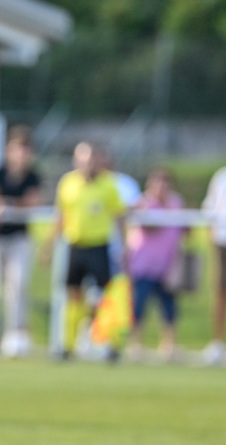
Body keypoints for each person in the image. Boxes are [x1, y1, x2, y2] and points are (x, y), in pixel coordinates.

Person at [46, 141, 128, 359]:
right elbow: (61, 215)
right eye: (83, 159)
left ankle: (109, 343)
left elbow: (119, 216)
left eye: (91, 159)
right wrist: (49, 244)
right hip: (75, 245)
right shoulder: (68, 183)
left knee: (105, 296)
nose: (87, 164)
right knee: (73, 294)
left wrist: (124, 246)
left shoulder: (108, 184)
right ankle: (68, 345)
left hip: (99, 245)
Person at [0, 126, 42, 358]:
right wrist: (0, 207)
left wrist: (8, 206)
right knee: (4, 287)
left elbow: (31, 203)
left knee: (18, 284)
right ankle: (9, 330)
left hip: (20, 237)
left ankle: (16, 333)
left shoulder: (32, 176)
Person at [126, 169, 185, 361]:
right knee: (139, 306)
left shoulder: (176, 204)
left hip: (167, 265)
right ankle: (136, 345)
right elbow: (149, 226)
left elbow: (182, 233)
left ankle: (168, 346)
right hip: (143, 264)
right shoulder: (143, 203)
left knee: (169, 308)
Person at [202, 164, 226, 365]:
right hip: (223, 242)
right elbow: (210, 210)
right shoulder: (221, 177)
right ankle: (217, 343)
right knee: (220, 291)